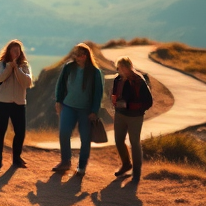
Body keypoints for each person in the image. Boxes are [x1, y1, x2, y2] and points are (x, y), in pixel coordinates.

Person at [52, 43, 105, 176]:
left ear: (85, 56)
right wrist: (58, 100)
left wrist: (94, 111)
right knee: (64, 133)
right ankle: (65, 162)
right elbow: (61, 84)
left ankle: (81, 166)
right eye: (75, 54)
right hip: (68, 106)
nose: (75, 57)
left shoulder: (95, 72)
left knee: (85, 138)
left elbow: (98, 93)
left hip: (85, 110)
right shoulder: (68, 67)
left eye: (78, 55)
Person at [0, 39, 34, 170]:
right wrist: (10, 67)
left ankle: (16, 159)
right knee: (1, 131)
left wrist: (17, 69)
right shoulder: (0, 63)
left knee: (20, 132)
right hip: (2, 102)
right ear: (8, 51)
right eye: (14, 50)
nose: (16, 52)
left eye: (18, 50)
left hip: (19, 103)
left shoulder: (25, 66)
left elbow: (27, 83)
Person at [111, 56, 153, 182]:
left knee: (134, 143)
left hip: (135, 117)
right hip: (120, 114)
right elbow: (114, 95)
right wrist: (116, 104)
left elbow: (148, 102)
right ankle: (126, 164)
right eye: (119, 68)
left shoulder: (138, 81)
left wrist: (134, 107)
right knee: (118, 140)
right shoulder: (117, 80)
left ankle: (136, 173)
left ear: (128, 67)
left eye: (122, 68)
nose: (120, 70)